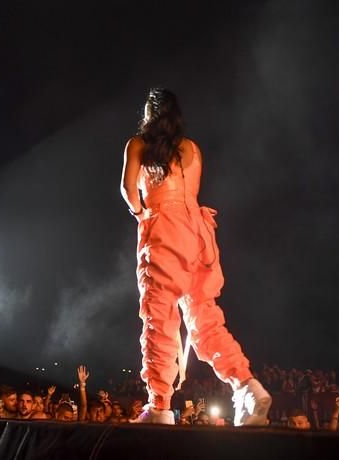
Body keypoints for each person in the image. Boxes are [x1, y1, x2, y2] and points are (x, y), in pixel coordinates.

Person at [120, 88, 271, 425]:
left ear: (148, 114)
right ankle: (247, 387)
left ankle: (159, 405)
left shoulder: (138, 145)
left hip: (164, 230)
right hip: (200, 234)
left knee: (159, 318)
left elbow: (129, 190)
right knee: (204, 317)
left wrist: (141, 214)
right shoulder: (192, 148)